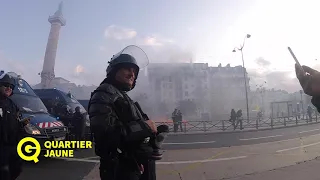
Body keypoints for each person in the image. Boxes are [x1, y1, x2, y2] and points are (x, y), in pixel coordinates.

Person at [88, 46, 165, 180]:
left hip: (135, 165)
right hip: (120, 170)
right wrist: (145, 127)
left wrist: (152, 140)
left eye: (134, 71)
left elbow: (132, 129)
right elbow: (106, 136)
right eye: (127, 69)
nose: (132, 74)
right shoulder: (103, 95)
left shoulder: (121, 96)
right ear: (114, 71)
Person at [0, 71, 28, 180]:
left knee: (16, 169)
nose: (9, 88)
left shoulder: (12, 104)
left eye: (11, 86)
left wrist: (22, 124)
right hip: (1, 146)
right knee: (4, 173)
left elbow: (15, 122)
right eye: (6, 85)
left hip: (12, 146)